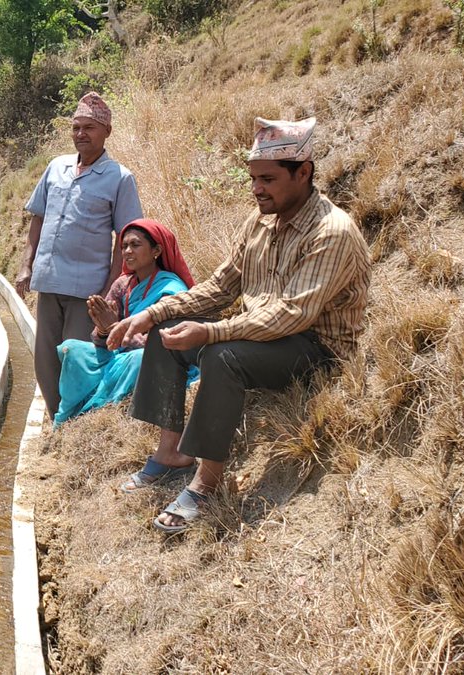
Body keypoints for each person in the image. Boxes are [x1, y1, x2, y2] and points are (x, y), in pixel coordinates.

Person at [108, 117, 372, 534]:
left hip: (313, 347)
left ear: (303, 174)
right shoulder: (259, 221)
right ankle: (171, 453)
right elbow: (221, 286)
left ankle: (205, 483)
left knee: (222, 356)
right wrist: (152, 313)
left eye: (267, 179)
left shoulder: (332, 231)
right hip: (260, 334)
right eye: (253, 179)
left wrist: (212, 331)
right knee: (169, 328)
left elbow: (292, 315)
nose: (256, 189)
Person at [16, 91, 145, 418]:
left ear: (107, 132)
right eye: (76, 127)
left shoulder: (119, 178)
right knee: (45, 359)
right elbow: (38, 217)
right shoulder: (56, 167)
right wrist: (25, 266)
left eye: (89, 128)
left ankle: (73, 423)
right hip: (48, 282)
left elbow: (125, 239)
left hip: (87, 291)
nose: (80, 134)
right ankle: (55, 418)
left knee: (76, 360)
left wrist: (110, 289)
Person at [54, 219, 195, 426]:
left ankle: (102, 406)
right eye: (124, 246)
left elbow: (164, 342)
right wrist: (103, 330)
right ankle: (71, 415)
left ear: (156, 250)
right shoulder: (122, 285)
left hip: (154, 356)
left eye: (135, 245)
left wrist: (115, 330)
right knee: (72, 348)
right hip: (118, 354)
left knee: (138, 360)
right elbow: (102, 341)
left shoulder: (172, 289)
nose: (127, 251)